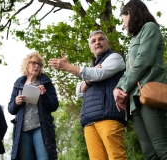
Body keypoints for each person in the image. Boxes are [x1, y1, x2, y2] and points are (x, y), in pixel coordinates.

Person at [48, 30, 127, 159]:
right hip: (89, 121)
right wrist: (89, 79)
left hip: (109, 116)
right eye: (93, 41)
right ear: (90, 48)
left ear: (107, 43)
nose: (98, 42)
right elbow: (79, 90)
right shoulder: (90, 70)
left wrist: (68, 67)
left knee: (116, 157)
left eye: (101, 39)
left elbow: (98, 74)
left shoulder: (115, 58)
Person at [113, 0, 167, 159]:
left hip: (149, 94)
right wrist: (117, 89)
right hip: (134, 101)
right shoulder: (133, 40)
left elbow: (143, 60)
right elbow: (129, 70)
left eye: (123, 19)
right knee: (149, 153)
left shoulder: (150, 28)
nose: (123, 25)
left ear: (129, 12)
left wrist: (123, 88)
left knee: (162, 149)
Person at [8, 52, 59, 160]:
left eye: (39, 64)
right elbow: (11, 109)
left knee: (44, 158)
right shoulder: (19, 83)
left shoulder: (45, 82)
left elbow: (54, 106)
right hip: (22, 130)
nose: (36, 66)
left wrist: (44, 95)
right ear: (26, 64)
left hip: (40, 128)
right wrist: (16, 102)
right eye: (33, 63)